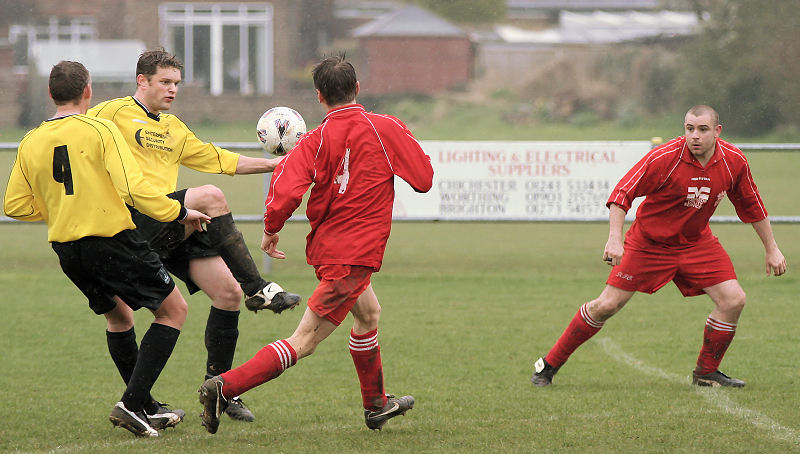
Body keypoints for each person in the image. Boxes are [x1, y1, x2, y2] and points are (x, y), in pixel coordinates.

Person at [197, 54, 434, 434]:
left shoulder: (314, 139)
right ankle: (225, 387)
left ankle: (376, 404)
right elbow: (423, 178)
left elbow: (286, 189)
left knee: (368, 314)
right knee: (304, 341)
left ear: (319, 97)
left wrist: (271, 228)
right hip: (353, 257)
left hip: (329, 250)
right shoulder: (386, 128)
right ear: (357, 89)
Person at [87, 49, 301, 422]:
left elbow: (218, 159)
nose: (172, 90)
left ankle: (219, 390)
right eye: (165, 82)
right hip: (130, 222)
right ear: (142, 80)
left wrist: (271, 163)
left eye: (176, 84)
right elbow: (73, 136)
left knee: (227, 294)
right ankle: (258, 287)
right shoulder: (110, 114)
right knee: (210, 197)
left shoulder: (173, 128)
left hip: (169, 222)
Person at [3, 61, 211, 437]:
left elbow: (14, 205)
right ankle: (131, 404)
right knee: (174, 309)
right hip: (110, 239)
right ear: (88, 92)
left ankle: (146, 408)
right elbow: (133, 187)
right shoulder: (100, 128)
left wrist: (60, 208)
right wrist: (177, 211)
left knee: (119, 317)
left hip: (67, 249)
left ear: (50, 94)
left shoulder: (31, 139)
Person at [531, 105, 787, 388]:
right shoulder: (665, 157)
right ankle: (548, 365)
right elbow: (621, 194)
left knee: (733, 299)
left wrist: (772, 248)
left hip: (696, 243)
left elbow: (752, 205)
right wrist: (615, 239)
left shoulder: (733, 161)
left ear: (717, 131)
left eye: (702, 129)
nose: (695, 136)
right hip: (648, 245)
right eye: (689, 129)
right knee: (607, 304)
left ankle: (706, 372)